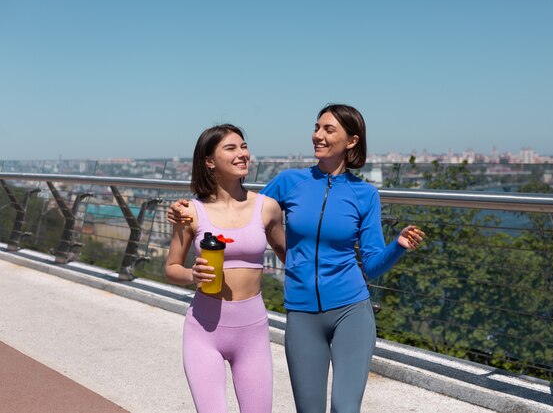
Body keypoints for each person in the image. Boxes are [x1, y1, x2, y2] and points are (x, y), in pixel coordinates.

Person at [168, 104, 425, 413]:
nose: (317, 135)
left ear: (352, 141)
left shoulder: (365, 194)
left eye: (328, 130)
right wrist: (186, 210)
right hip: (302, 312)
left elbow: (371, 265)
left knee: (345, 407)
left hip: (351, 308)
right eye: (316, 127)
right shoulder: (289, 182)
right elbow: (240, 209)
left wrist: (397, 246)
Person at [164, 123, 286, 413]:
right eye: (231, 148)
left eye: (244, 146)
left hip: (252, 332)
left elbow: (291, 255)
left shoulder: (267, 207)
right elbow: (171, 268)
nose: (242, 153)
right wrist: (192, 275)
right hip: (204, 332)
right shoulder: (190, 212)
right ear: (209, 161)